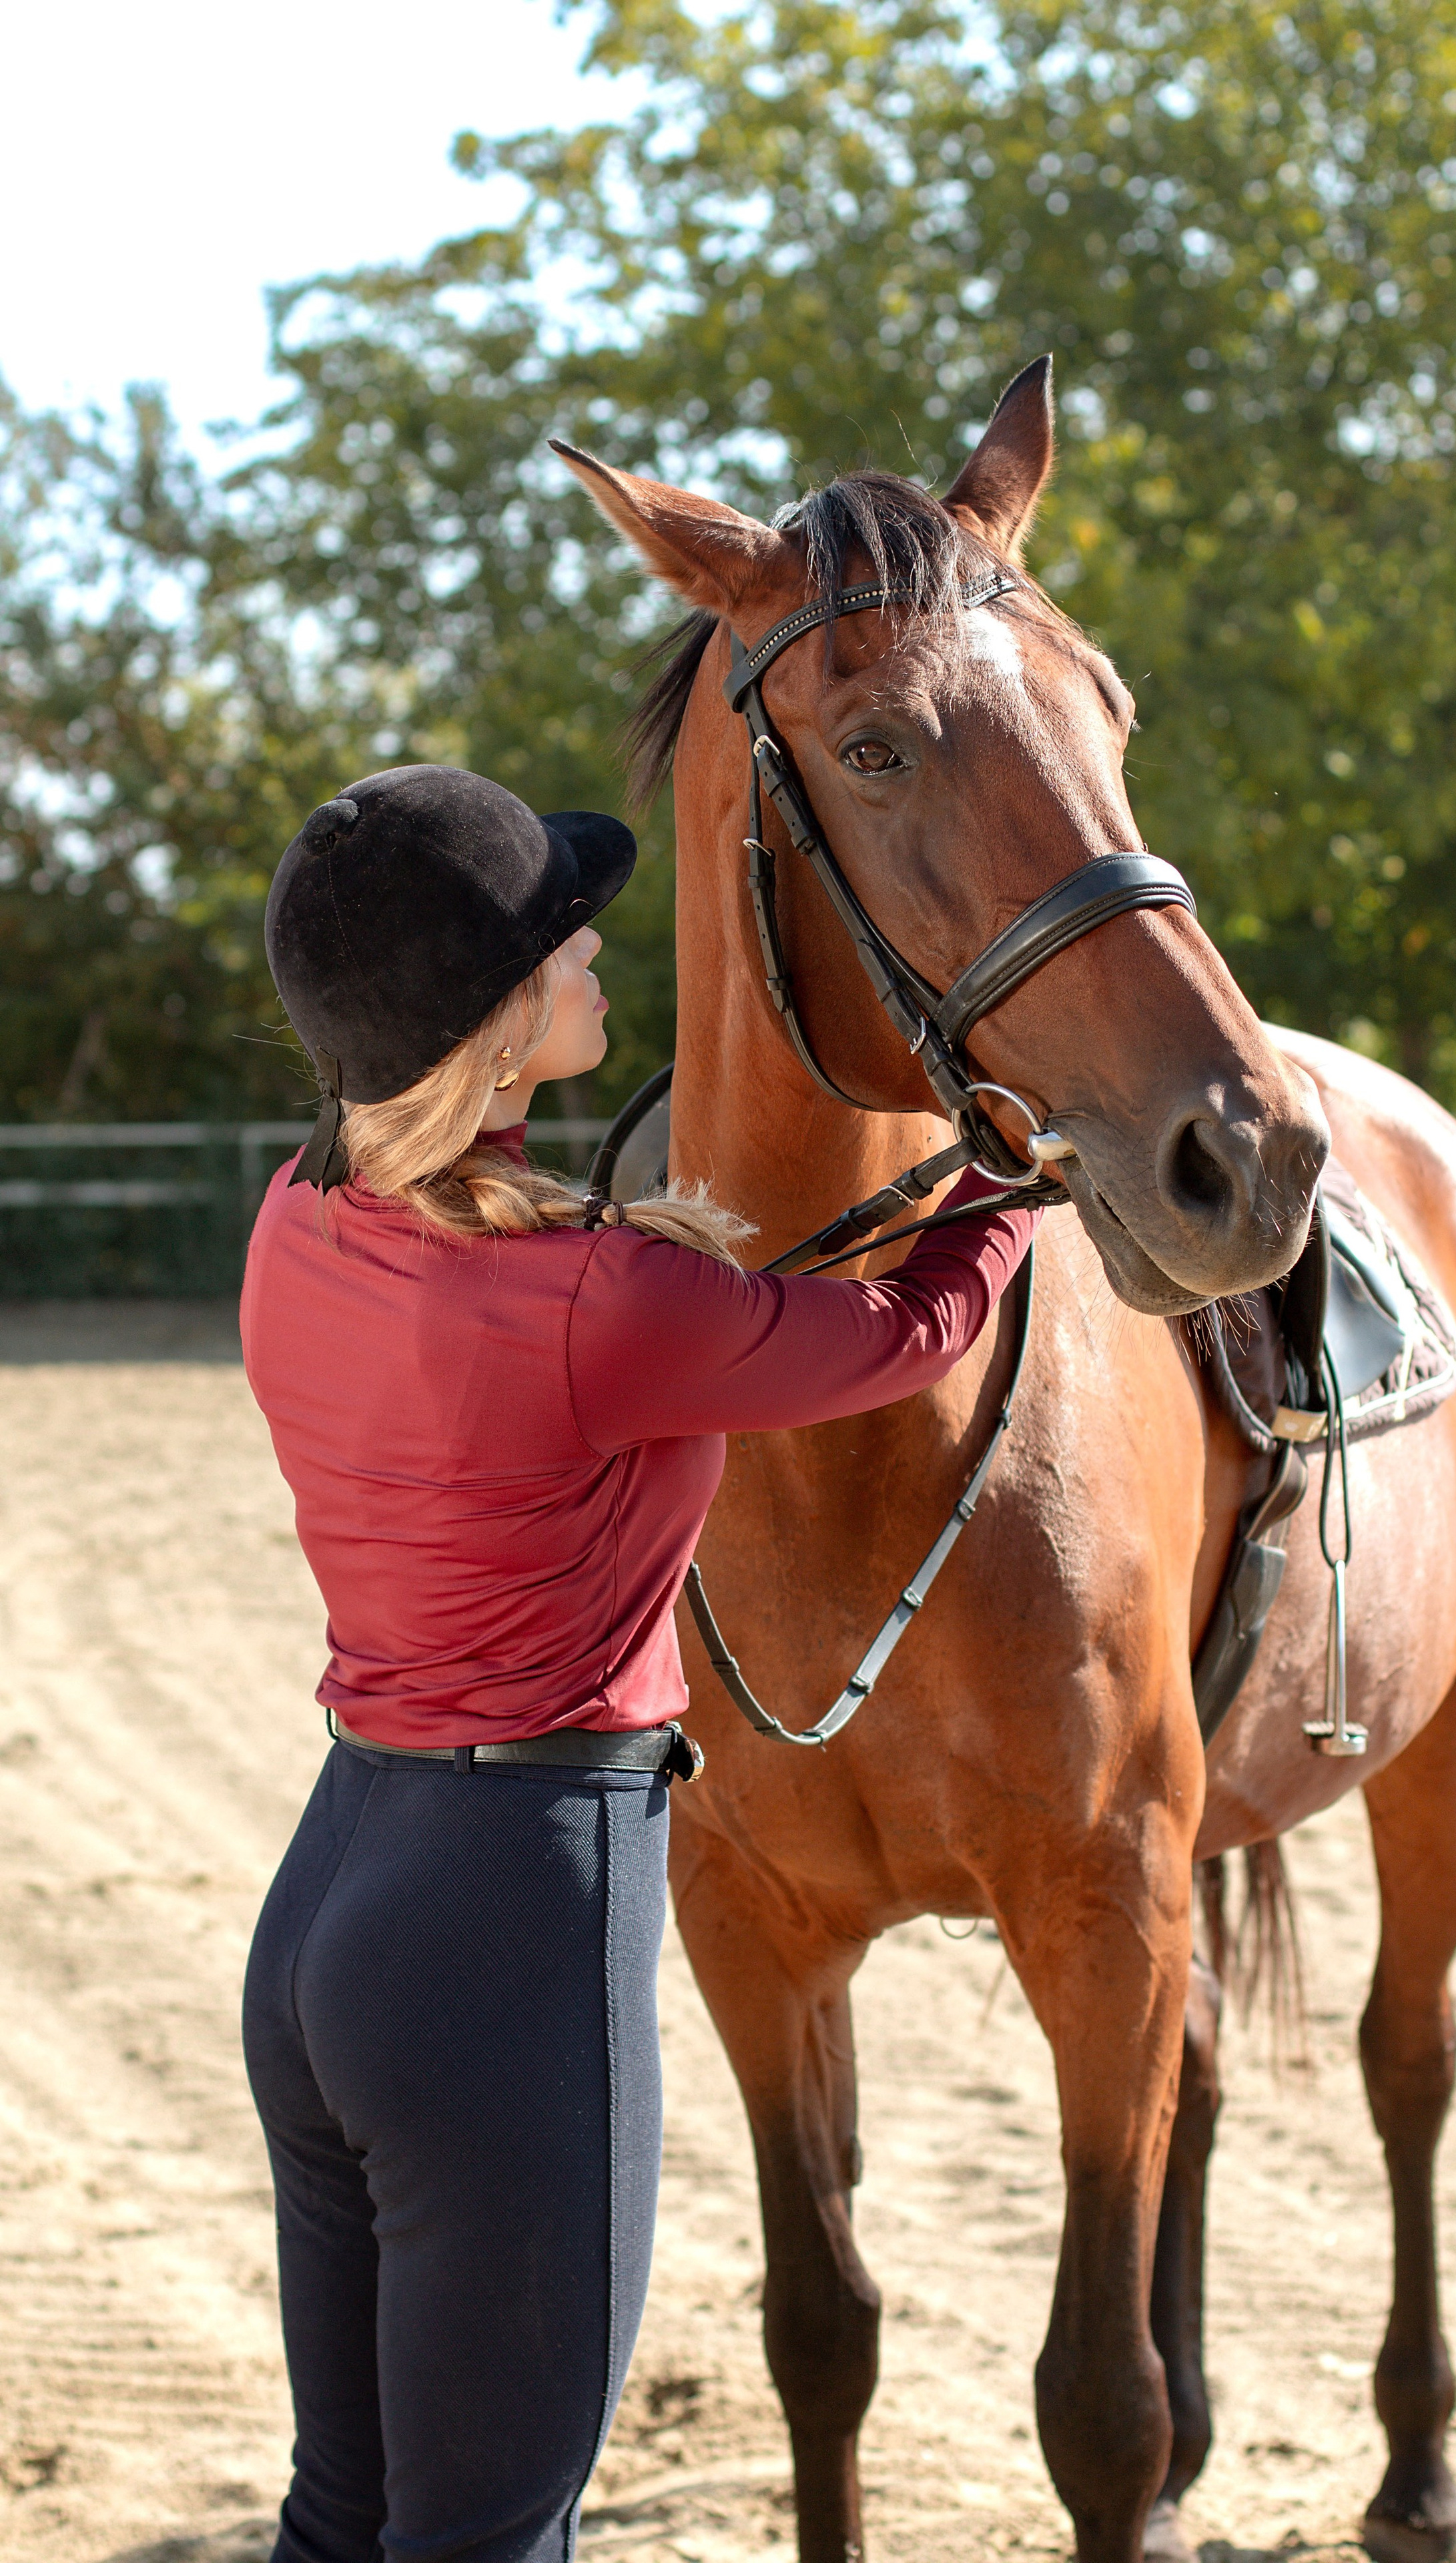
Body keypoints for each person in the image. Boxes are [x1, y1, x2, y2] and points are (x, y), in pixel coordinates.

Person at [238, 762, 1039, 2563]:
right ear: (505, 1020)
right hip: (507, 1932)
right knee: (495, 2533)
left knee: (347, 2511)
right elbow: (910, 1331)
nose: (605, 950)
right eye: (565, 940)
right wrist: (1003, 1185)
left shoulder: (296, 1223)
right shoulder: (599, 1302)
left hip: (331, 1907)